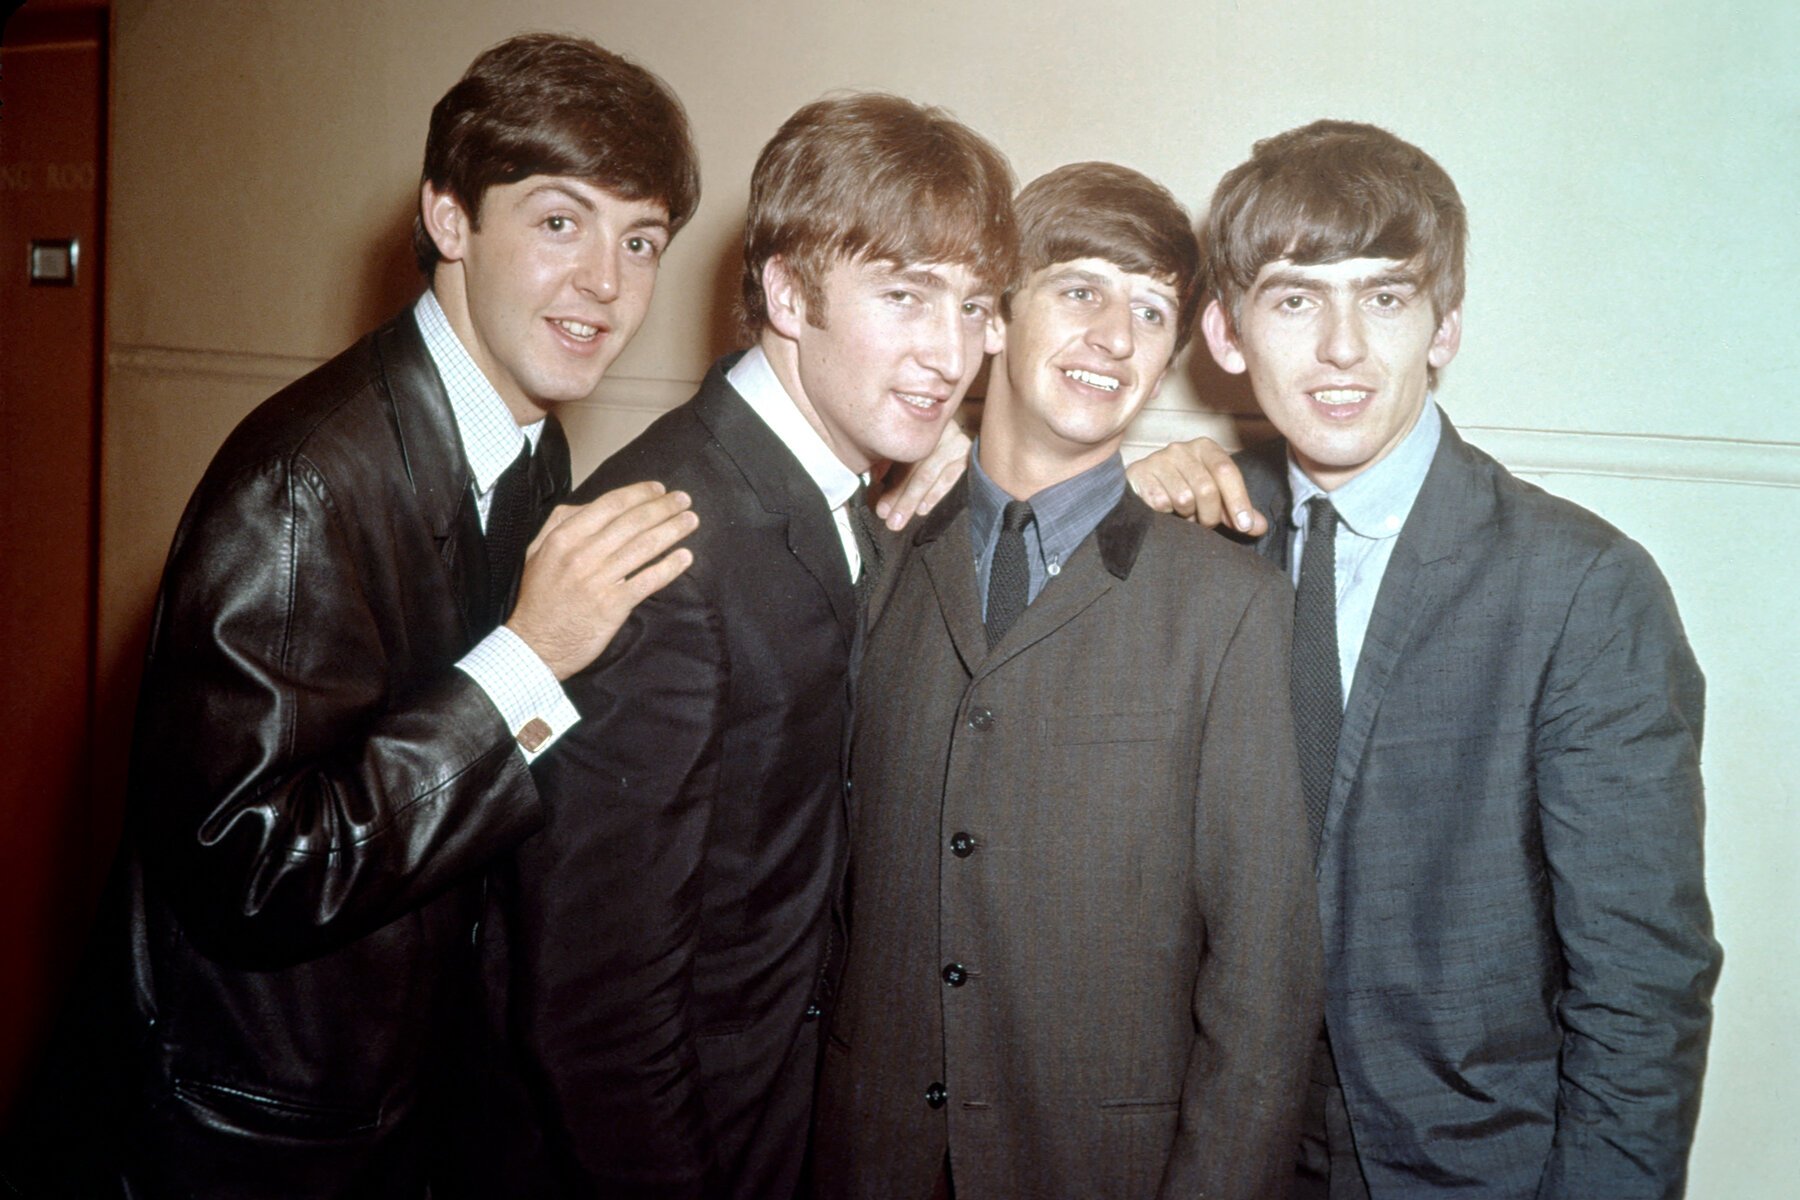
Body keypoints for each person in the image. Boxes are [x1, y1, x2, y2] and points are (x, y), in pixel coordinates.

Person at [1, 34, 700, 1198]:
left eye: (641, 242)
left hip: (398, 1110)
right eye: (559, 222)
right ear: (449, 218)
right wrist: (527, 662)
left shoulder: (531, 440)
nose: (606, 286)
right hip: (248, 1138)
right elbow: (249, 869)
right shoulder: (302, 485)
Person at [1128, 120, 1720, 1197]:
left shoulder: (1583, 588)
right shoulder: (1181, 538)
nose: (1343, 348)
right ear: (1225, 331)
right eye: (1298, 298)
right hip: (1212, 1159)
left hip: (1469, 1171)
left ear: (1445, 326)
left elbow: (1642, 991)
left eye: (1386, 298)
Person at [490, 93, 1017, 1197]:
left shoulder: (829, 489)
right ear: (786, 291)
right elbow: (596, 1012)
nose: (952, 352)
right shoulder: (667, 540)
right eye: (906, 296)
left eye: (975, 307)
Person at [812, 163, 1323, 1200]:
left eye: (1149, 310)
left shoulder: (1230, 608)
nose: (1116, 337)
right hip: (867, 1157)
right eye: (1080, 289)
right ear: (995, 318)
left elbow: (1265, 986)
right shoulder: (876, 556)